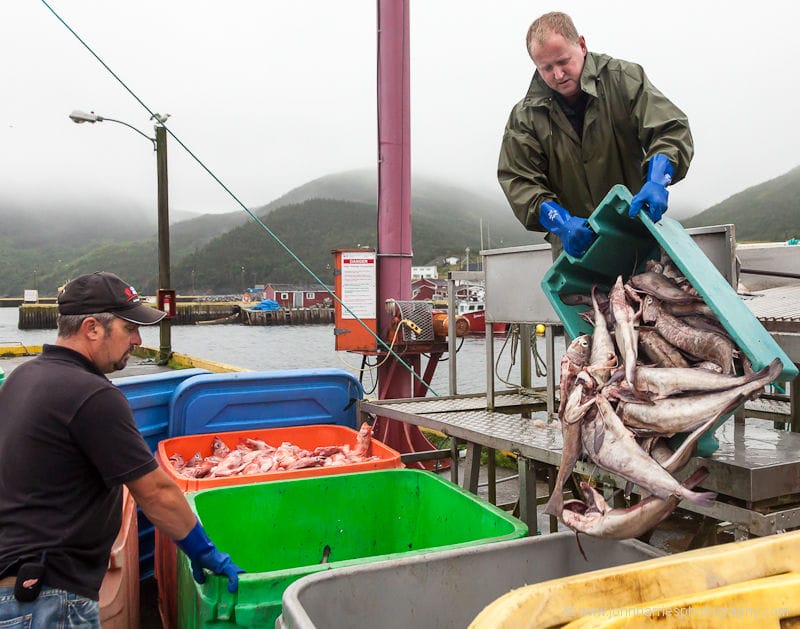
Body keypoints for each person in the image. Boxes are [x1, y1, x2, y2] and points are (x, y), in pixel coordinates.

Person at [0, 271, 243, 627]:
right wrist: (205, 552)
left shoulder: (21, 378)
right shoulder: (93, 394)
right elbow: (155, 492)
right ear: (92, 328)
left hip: (15, 588)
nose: (138, 340)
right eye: (129, 328)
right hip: (48, 598)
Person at [498, 11, 694, 257]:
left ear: (581, 45)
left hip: (638, 238)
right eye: (546, 68)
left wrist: (657, 179)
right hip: (576, 253)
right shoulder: (524, 117)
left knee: (647, 282)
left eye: (563, 61)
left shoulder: (624, 80)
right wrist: (560, 222)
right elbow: (519, 180)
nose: (558, 75)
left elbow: (670, 130)